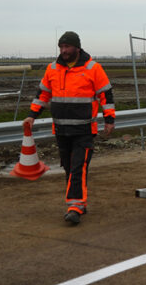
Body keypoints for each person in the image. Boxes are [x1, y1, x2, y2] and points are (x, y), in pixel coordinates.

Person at [23, 31, 115, 226]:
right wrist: (32, 115)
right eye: (61, 47)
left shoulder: (93, 68)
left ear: (77, 48)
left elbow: (106, 94)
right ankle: (79, 202)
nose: (64, 51)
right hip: (61, 130)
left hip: (84, 130)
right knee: (69, 167)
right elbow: (42, 95)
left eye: (67, 47)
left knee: (77, 168)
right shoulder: (52, 69)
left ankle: (74, 207)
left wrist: (109, 119)